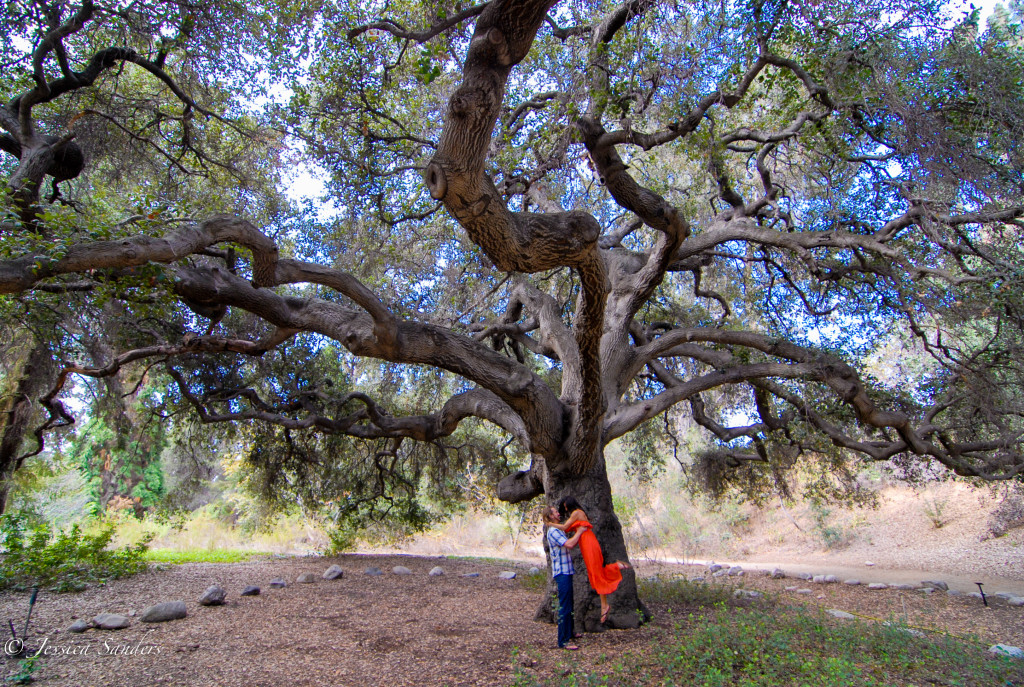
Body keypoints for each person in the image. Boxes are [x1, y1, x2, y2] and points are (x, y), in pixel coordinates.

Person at [549, 496, 631, 624]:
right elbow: (568, 528)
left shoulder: (576, 513)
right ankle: (604, 604)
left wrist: (549, 524)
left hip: (589, 543)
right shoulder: (577, 514)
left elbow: (565, 527)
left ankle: (615, 568)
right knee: (595, 573)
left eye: (566, 506)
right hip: (586, 544)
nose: (565, 509)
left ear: (570, 505)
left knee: (596, 572)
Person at [543, 505, 584, 650]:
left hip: (567, 571)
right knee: (564, 606)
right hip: (562, 573)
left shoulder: (557, 530)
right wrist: (580, 531)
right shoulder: (554, 531)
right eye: (555, 512)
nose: (558, 514)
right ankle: (563, 641)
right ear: (550, 516)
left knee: (569, 604)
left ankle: (570, 632)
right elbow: (570, 544)